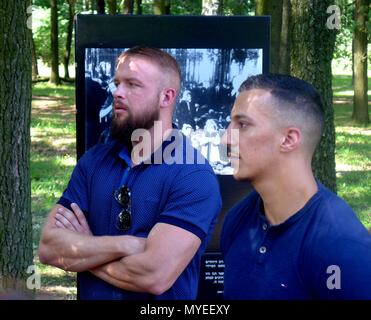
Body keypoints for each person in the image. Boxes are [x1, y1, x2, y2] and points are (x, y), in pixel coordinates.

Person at [38, 47, 222, 300]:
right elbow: (49, 248)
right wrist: (125, 244)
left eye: (133, 85)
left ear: (166, 97)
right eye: (117, 84)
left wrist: (85, 249)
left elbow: (153, 276)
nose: (118, 93)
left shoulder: (192, 176)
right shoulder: (94, 161)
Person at [220, 74, 371, 300]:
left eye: (242, 125)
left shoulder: (340, 246)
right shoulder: (238, 221)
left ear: (289, 139)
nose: (226, 139)